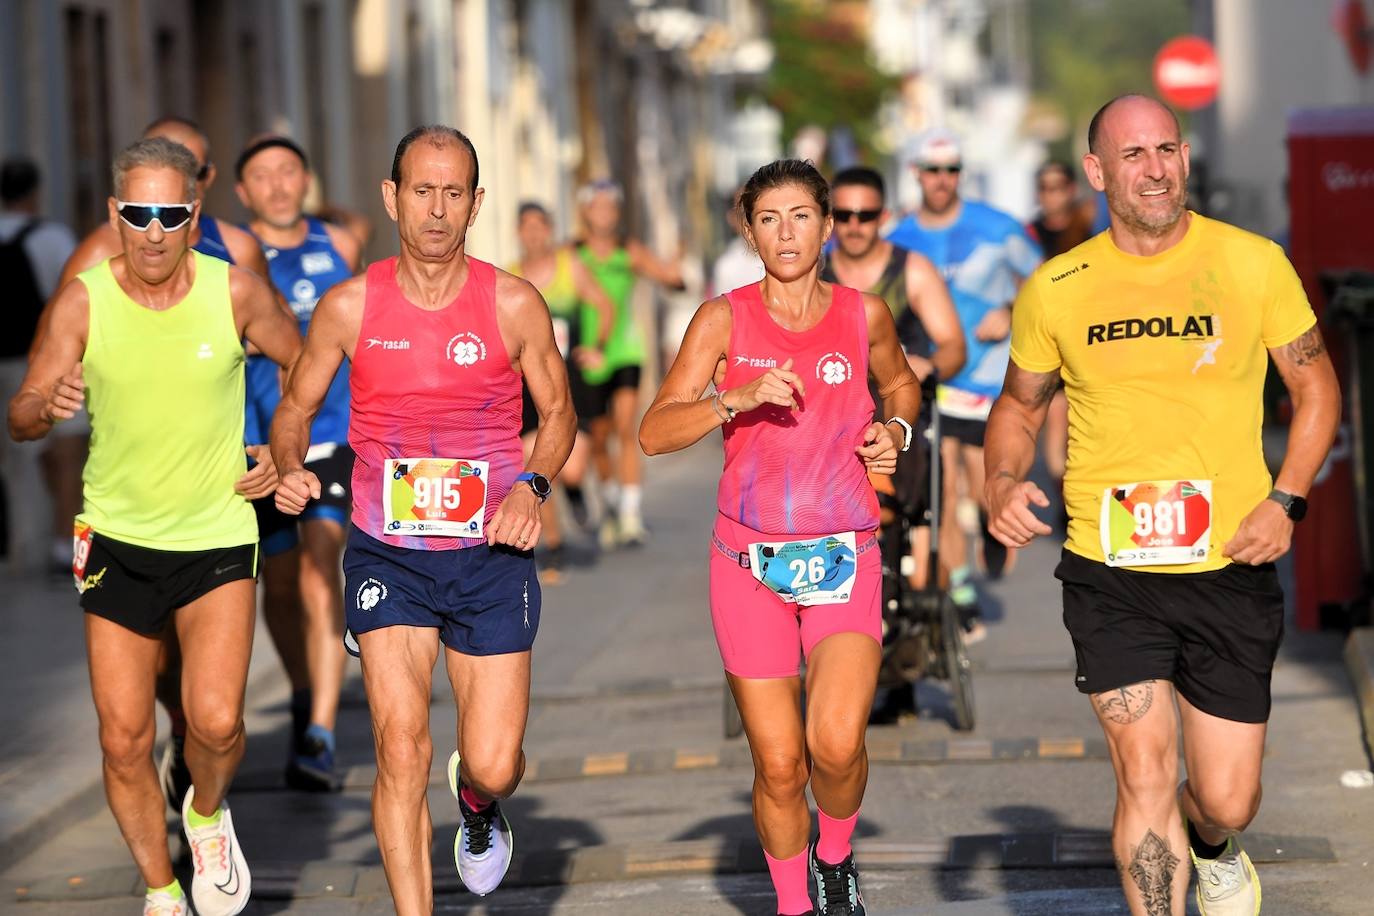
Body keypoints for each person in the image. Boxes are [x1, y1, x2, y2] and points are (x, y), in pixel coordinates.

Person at [985, 95, 1340, 916]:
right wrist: (1001, 480)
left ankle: (1214, 847)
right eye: (1135, 154)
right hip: (1113, 570)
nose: (1155, 169)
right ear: (1096, 171)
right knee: (1142, 771)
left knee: (1226, 798)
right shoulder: (1058, 286)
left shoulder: (1252, 263)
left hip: (1229, 560)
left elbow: (1316, 389)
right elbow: (1017, 408)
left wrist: (1286, 499)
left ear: (1185, 157)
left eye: (1167, 150)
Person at [272, 125, 576, 914]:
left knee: (497, 760)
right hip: (388, 555)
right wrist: (291, 464)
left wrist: (532, 487)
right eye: (421, 191)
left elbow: (559, 414)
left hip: (489, 554)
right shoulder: (348, 305)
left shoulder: (512, 302)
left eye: (453, 194)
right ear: (391, 196)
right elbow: (296, 407)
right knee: (399, 746)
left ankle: (477, 804)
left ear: (476, 204)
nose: (437, 211)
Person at [8, 137, 302, 916]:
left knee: (216, 720)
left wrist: (281, 446)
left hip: (216, 532)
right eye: (137, 213)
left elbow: (304, 364)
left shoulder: (233, 292)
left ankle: (204, 813)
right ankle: (163, 889)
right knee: (123, 739)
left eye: (170, 214)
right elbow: (21, 413)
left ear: (193, 214)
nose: (152, 230)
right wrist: (46, 406)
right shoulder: (82, 298)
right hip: (116, 538)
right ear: (115, 214)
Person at [640, 159, 920, 916]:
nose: (786, 232)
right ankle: (795, 907)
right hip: (748, 565)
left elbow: (900, 385)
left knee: (835, 746)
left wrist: (892, 429)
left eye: (801, 216)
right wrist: (729, 400)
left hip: (845, 555)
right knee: (778, 761)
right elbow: (654, 431)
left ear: (829, 227)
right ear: (749, 230)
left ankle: (835, 856)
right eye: (769, 219)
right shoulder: (723, 318)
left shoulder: (865, 315)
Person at [235, 134, 363, 789]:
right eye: (264, 175)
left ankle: (318, 732)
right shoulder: (230, 257)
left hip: (332, 435)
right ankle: (302, 687)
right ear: (242, 191)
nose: (279, 185)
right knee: (279, 587)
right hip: (259, 446)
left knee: (319, 573)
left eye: (290, 171)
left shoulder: (337, 247)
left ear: (306, 179)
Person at [887, 128, 1041, 639]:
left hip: (993, 379)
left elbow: (1048, 283)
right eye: (931, 170)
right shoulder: (899, 240)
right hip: (935, 381)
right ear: (916, 174)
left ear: (960, 174)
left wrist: (1010, 308)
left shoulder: (998, 227)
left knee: (980, 487)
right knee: (943, 490)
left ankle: (990, 527)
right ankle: (961, 593)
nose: (940, 179)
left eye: (950, 169)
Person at [822, 166, 965, 589]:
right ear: (830, 218)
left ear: (882, 216)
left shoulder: (912, 271)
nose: (853, 225)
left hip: (895, 412)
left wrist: (928, 365)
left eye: (865, 215)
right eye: (844, 215)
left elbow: (953, 344)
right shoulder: (813, 275)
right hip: (832, 418)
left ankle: (928, 569)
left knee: (929, 499)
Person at [508, 201, 614, 580]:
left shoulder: (571, 269)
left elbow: (604, 306)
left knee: (572, 469)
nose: (533, 233)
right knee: (534, 461)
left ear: (549, 230)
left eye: (540, 226)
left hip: (568, 378)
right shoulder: (510, 277)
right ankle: (552, 543)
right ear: (518, 233)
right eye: (526, 227)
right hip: (524, 384)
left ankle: (576, 494)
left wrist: (596, 347)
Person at [576, 179, 684, 547]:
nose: (604, 214)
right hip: (589, 354)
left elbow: (669, 277)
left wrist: (675, 271)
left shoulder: (629, 251)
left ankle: (630, 514)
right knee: (597, 437)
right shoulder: (573, 254)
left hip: (625, 350)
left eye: (610, 207)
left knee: (626, 428)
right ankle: (609, 504)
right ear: (585, 212)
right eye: (597, 206)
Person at [0, 157, 77, 570]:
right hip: (38, 359)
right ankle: (61, 541)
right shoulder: (50, 237)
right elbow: (71, 293)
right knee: (63, 449)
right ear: (34, 193)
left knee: (13, 460)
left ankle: (19, 546)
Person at [1028, 161, 1095, 523]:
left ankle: (1084, 492)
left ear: (1071, 189)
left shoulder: (1089, 227)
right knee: (1056, 417)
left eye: (1058, 187)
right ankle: (1066, 500)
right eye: (1045, 188)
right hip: (1049, 338)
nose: (1051, 195)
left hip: (1091, 336)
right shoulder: (1029, 234)